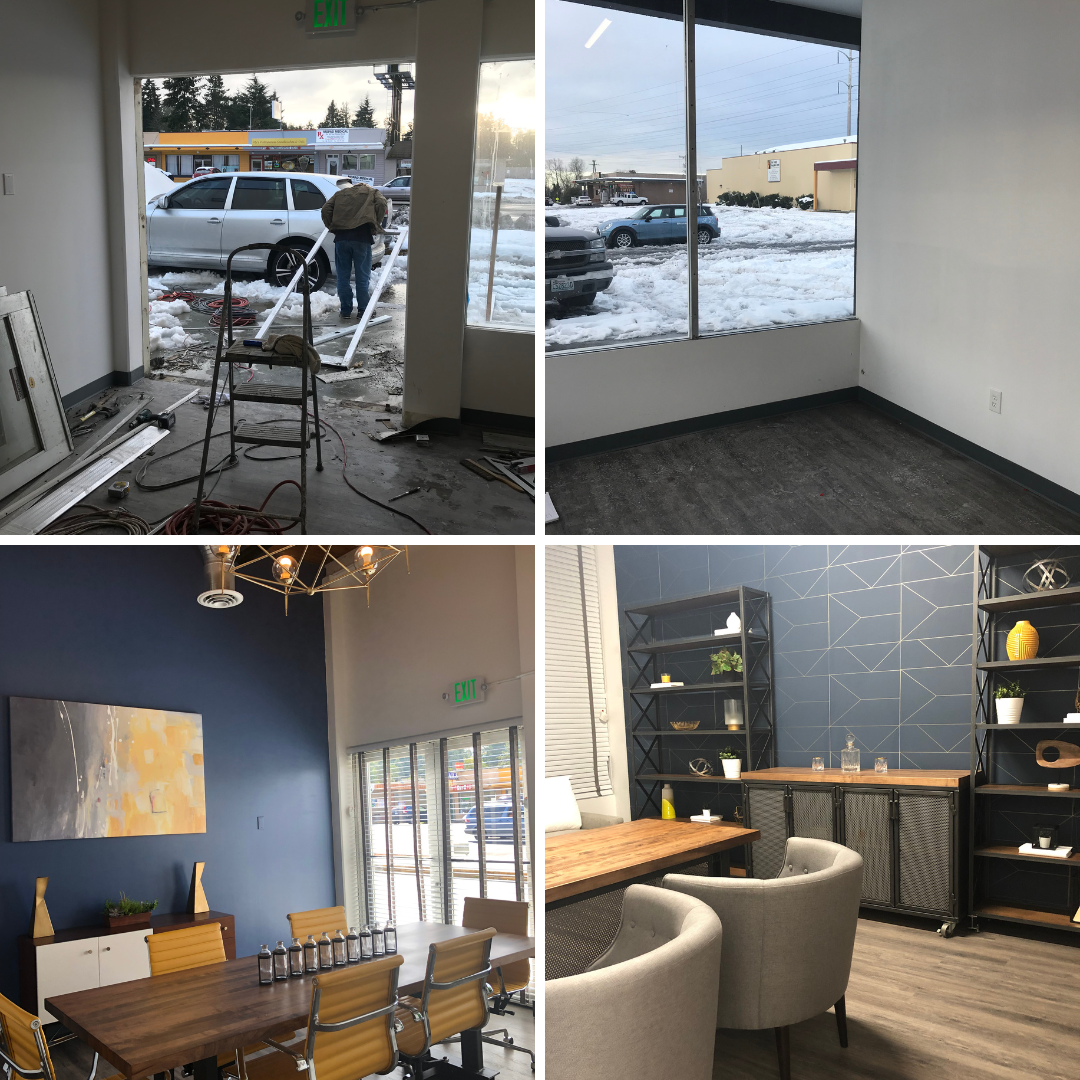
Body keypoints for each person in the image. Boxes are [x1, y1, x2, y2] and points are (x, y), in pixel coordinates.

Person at [320, 177, 388, 319]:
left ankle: (345, 310)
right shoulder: (371, 192)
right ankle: (363, 310)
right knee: (362, 278)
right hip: (361, 238)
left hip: (342, 239)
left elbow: (326, 209)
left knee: (343, 277)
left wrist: (332, 226)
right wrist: (376, 224)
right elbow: (382, 203)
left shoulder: (341, 194)